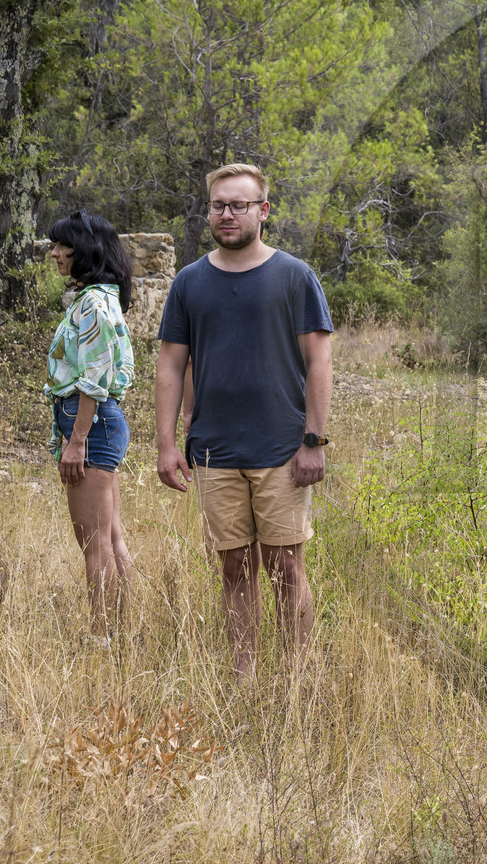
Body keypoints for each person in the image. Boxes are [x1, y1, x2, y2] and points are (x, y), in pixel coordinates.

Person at [155, 163, 334, 678]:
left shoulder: (294, 276)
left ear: (264, 210)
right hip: (213, 451)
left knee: (285, 566)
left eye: (239, 205)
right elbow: (170, 364)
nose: (227, 214)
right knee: (234, 568)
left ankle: (301, 677)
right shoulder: (190, 282)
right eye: (218, 206)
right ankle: (244, 674)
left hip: (282, 448)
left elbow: (319, 360)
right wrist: (168, 445)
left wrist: (314, 440)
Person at [45, 210, 136, 640]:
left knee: (95, 543)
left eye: (64, 246)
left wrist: (76, 439)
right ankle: (121, 634)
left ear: (87, 251)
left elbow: (94, 377)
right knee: (111, 538)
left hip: (91, 423)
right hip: (99, 422)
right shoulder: (100, 297)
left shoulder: (95, 304)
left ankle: (103, 638)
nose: (55, 254)